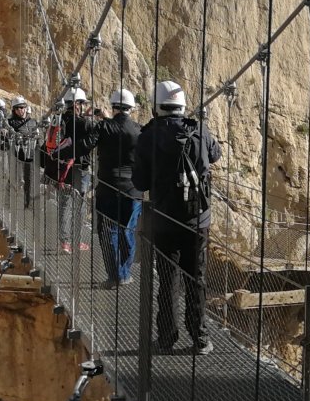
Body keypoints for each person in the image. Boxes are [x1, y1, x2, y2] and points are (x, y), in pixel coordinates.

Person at [134, 80, 222, 355]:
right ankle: (200, 338)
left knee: (168, 281)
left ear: (157, 106)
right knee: (196, 279)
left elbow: (138, 183)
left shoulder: (148, 136)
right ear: (183, 106)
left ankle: (167, 338)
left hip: (164, 220)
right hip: (198, 221)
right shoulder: (200, 130)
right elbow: (216, 155)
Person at [95, 88, 141, 286]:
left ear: (113, 107)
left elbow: (87, 142)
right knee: (127, 231)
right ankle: (125, 272)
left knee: (108, 232)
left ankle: (115, 276)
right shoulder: (140, 130)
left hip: (108, 188)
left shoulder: (104, 127)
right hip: (133, 190)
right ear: (131, 109)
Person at [45, 88, 101, 252]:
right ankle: (76, 241)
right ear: (77, 104)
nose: (83, 107)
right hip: (79, 168)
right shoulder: (83, 123)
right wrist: (100, 116)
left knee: (64, 204)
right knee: (80, 206)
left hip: (60, 167)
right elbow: (99, 129)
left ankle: (64, 242)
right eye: (82, 104)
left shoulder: (59, 120)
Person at [5, 97, 38, 208]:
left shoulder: (33, 122)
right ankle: (8, 201)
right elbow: (6, 134)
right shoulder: (10, 123)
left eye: (22, 107)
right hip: (16, 155)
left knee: (29, 179)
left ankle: (27, 203)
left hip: (30, 155)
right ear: (14, 110)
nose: (21, 110)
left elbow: (40, 138)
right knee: (14, 178)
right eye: (17, 108)